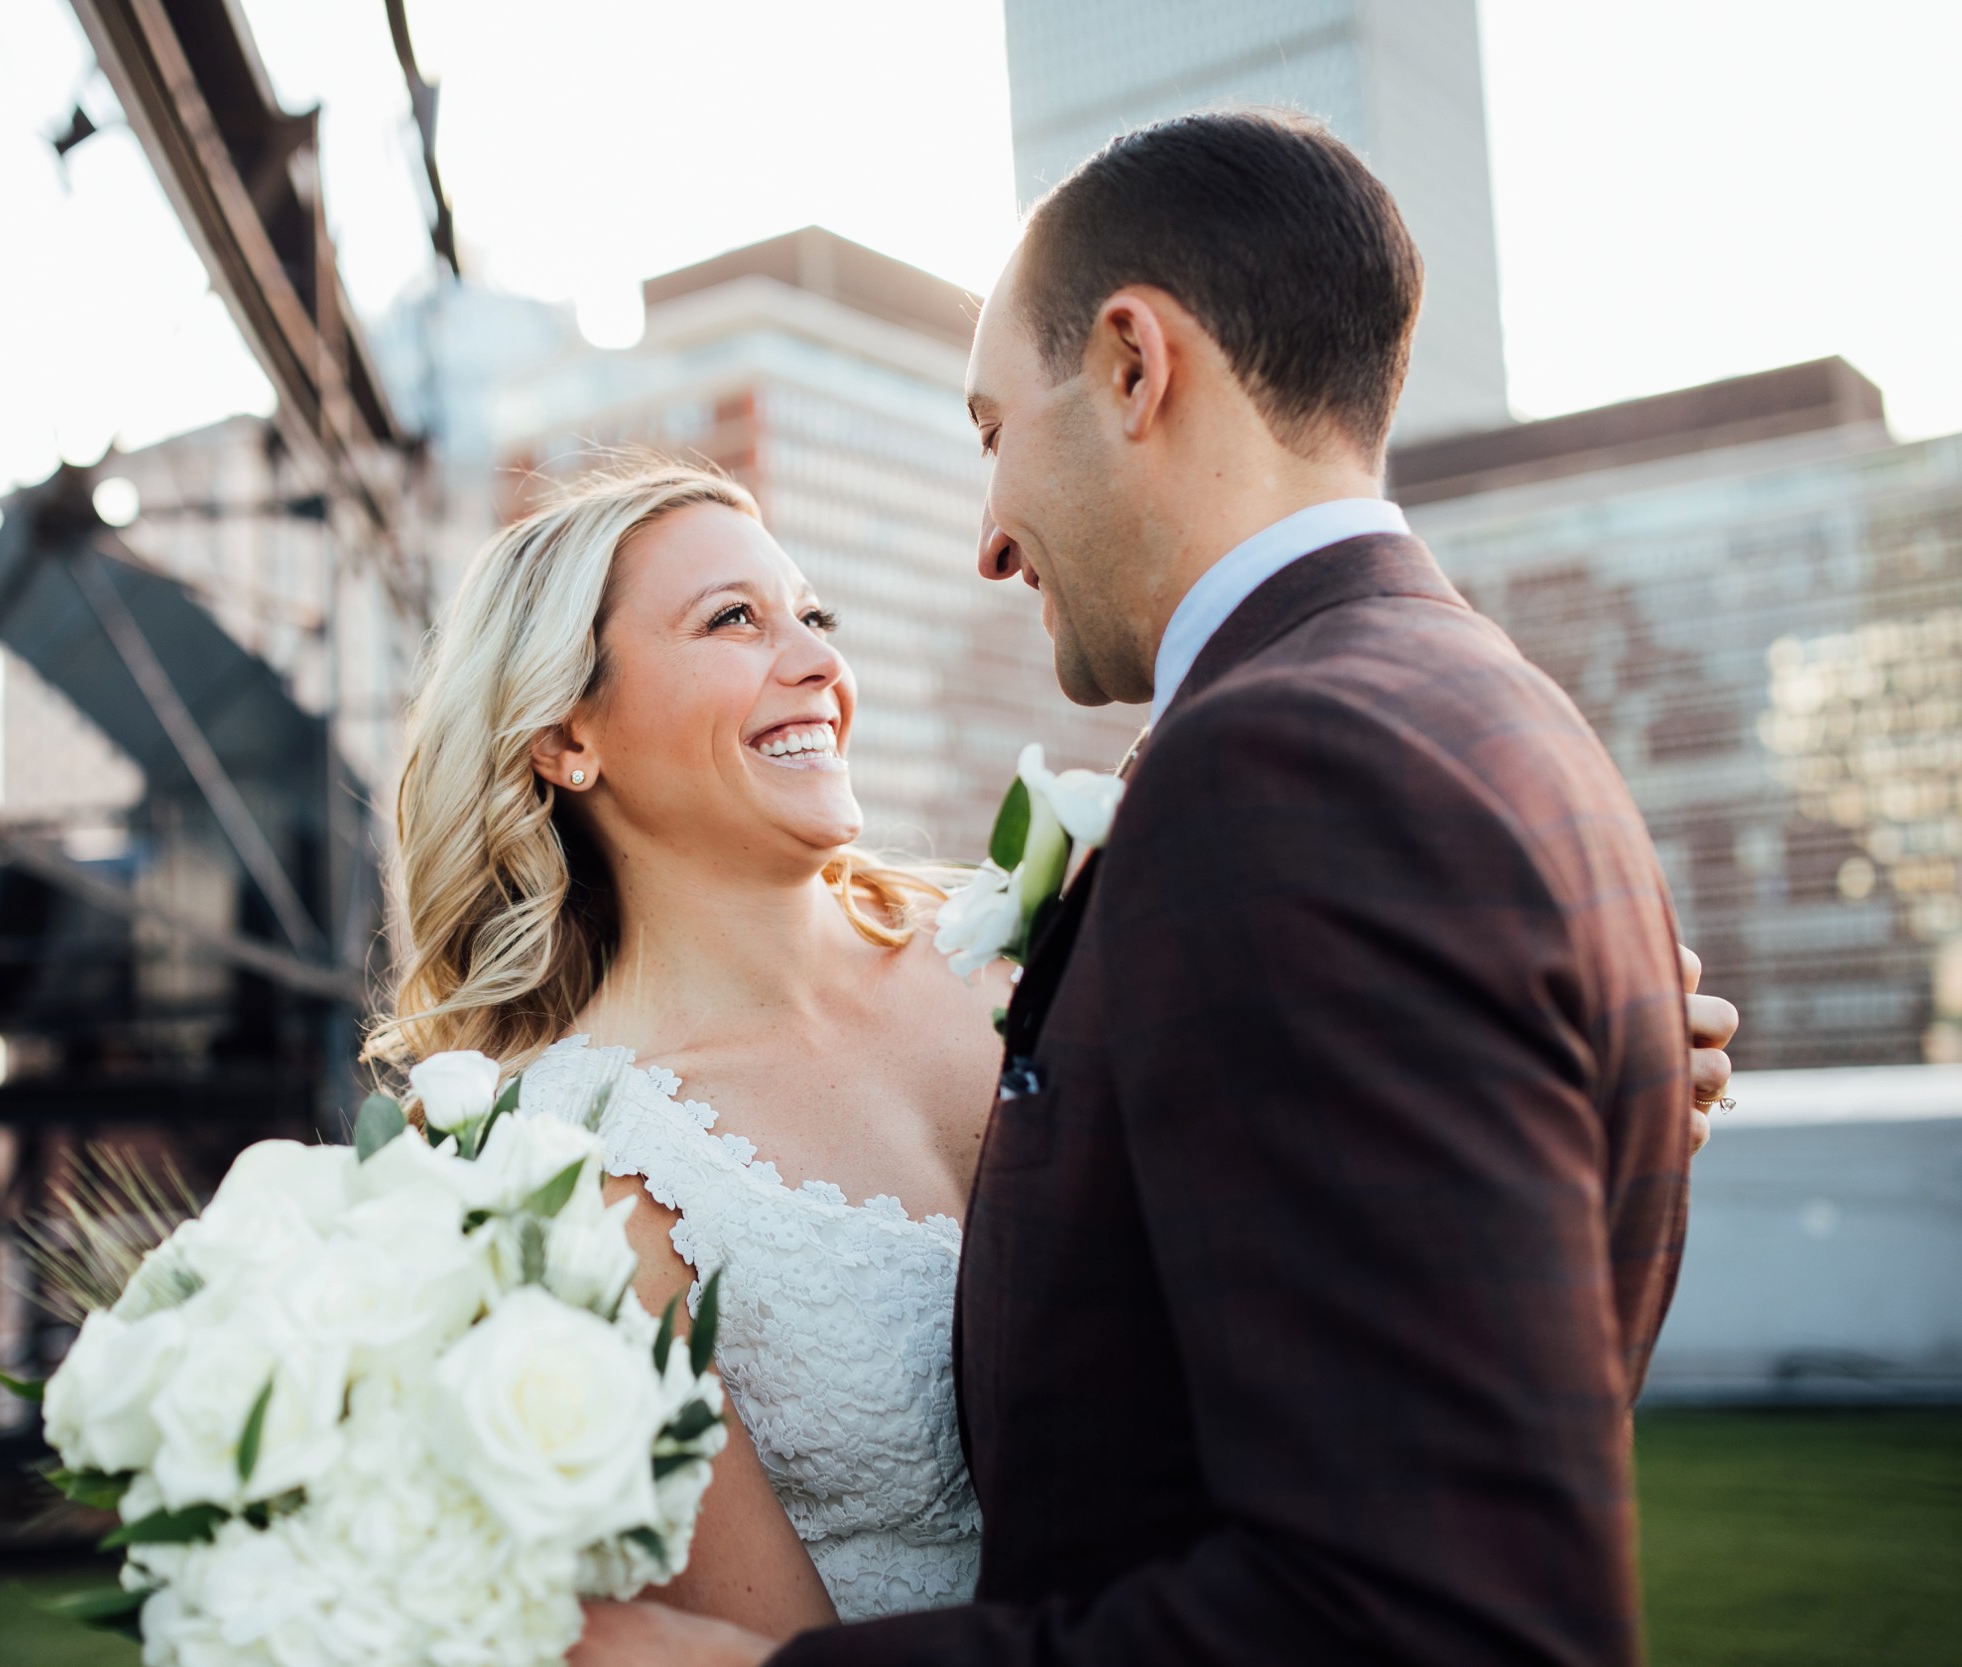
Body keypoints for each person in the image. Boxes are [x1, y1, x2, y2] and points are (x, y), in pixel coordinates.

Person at [550, 109, 1720, 1667]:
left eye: (987, 431)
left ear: (1130, 367)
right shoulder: (1491, 708)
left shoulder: (1292, 773)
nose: (985, 541)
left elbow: (1425, 1617)